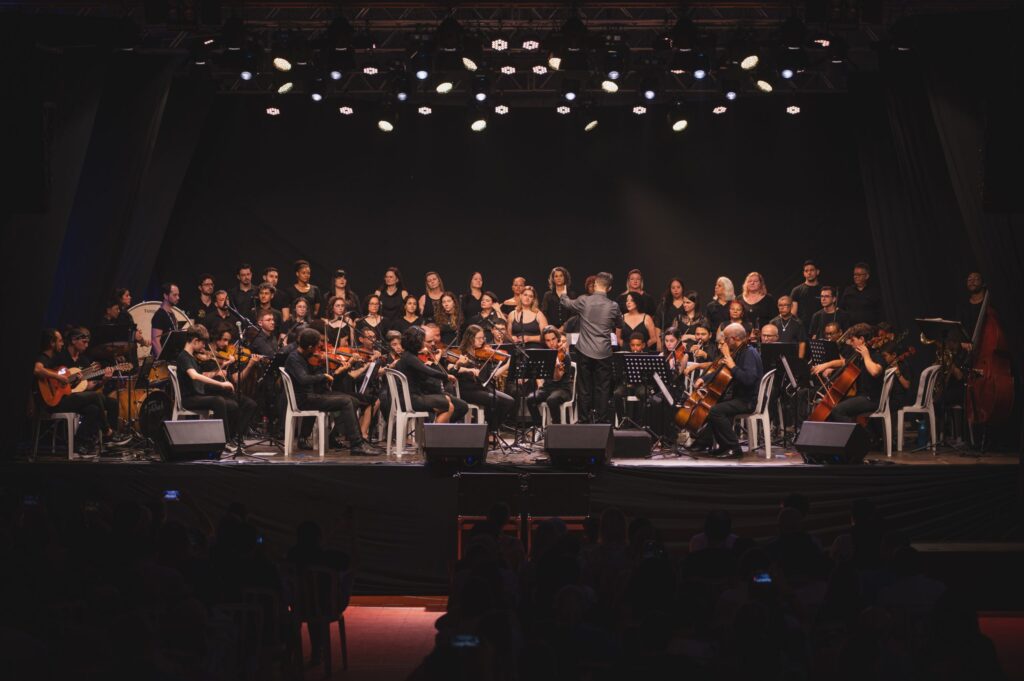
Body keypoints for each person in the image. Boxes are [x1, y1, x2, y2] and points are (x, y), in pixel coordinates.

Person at [284, 328, 379, 455]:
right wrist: (323, 376)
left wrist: (335, 373)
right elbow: (303, 379)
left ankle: (351, 439)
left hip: (316, 394)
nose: (320, 349)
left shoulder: (307, 356)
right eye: (317, 346)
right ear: (310, 347)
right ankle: (357, 445)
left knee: (354, 400)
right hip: (305, 398)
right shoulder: (294, 358)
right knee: (346, 401)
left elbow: (321, 379)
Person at [34, 329, 125, 454]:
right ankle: (108, 432)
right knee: (95, 396)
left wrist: (103, 380)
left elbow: (83, 386)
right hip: (54, 401)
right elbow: (37, 369)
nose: (62, 344)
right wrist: (60, 377)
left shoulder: (82, 360)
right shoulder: (49, 357)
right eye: (60, 341)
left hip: (67, 397)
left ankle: (80, 441)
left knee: (94, 408)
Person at [687, 323, 764, 458]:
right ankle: (717, 445)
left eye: (726, 339)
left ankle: (734, 448)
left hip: (748, 400)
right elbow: (721, 370)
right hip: (737, 397)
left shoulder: (749, 353)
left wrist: (733, 366)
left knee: (715, 411)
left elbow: (748, 380)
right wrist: (704, 379)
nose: (724, 343)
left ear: (734, 339)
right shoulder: (738, 351)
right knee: (713, 405)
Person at [176, 327, 257, 452]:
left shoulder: (190, 357)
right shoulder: (183, 356)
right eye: (203, 343)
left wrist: (223, 366)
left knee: (233, 405)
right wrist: (221, 385)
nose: (204, 347)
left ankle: (233, 437)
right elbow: (195, 376)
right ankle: (223, 441)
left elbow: (201, 375)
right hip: (190, 398)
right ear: (195, 341)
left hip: (199, 393)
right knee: (218, 400)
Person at [559, 272, 622, 423]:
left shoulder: (584, 301)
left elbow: (566, 303)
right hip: (604, 352)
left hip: (584, 351)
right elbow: (621, 325)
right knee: (603, 388)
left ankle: (584, 420)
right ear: (609, 288)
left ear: (595, 285)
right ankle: (601, 421)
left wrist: (563, 294)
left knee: (584, 387)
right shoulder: (613, 306)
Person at [810, 322, 884, 423]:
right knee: (830, 409)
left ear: (862, 339)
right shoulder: (857, 356)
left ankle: (859, 436)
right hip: (860, 397)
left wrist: (866, 356)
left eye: (853, 340)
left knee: (837, 411)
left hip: (871, 399)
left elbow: (875, 372)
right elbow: (842, 362)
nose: (851, 343)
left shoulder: (876, 356)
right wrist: (825, 365)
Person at [394, 326, 468, 423]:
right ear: (417, 341)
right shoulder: (410, 357)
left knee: (447, 402)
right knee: (448, 405)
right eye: (423, 340)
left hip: (412, 396)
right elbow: (428, 371)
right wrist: (446, 376)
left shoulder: (408, 355)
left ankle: (434, 433)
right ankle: (433, 436)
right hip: (412, 399)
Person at [452, 324, 513, 431]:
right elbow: (451, 369)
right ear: (470, 338)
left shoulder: (485, 353)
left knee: (509, 401)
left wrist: (508, 365)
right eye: (479, 338)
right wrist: (464, 367)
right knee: (493, 399)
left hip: (483, 387)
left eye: (483, 338)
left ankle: (493, 429)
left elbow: (492, 375)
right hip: (468, 389)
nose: (482, 340)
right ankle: (490, 432)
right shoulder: (461, 353)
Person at [526, 326, 575, 425]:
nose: (551, 343)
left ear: (557, 338)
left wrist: (556, 367)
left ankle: (555, 427)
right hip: (547, 388)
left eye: (553, 339)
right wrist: (539, 383)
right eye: (548, 340)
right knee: (530, 399)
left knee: (552, 400)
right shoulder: (545, 354)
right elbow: (537, 372)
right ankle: (539, 427)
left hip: (563, 389)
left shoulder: (564, 356)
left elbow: (557, 378)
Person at [840, 262, 883, 326]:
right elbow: (841, 308)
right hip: (851, 329)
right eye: (854, 274)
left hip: (870, 328)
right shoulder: (848, 291)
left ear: (867, 276)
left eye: (859, 275)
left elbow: (880, 311)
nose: (856, 277)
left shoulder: (874, 292)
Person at [151, 282, 181, 358]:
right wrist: (162, 360)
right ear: (165, 296)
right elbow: (155, 340)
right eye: (174, 295)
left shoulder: (171, 313)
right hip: (163, 361)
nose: (178, 298)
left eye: (178, 295)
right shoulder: (160, 315)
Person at [540, 266, 576, 331]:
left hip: (568, 329)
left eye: (561, 276)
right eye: (556, 276)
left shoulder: (571, 294)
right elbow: (544, 312)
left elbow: (573, 314)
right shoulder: (548, 295)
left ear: (565, 277)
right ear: (553, 279)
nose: (558, 278)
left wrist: (564, 326)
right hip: (551, 330)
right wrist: (553, 328)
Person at [790, 260, 822, 329]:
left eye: (812, 270)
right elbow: (793, 313)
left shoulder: (823, 290)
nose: (809, 273)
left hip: (820, 327)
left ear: (817, 272)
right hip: (802, 327)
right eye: (806, 271)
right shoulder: (797, 290)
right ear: (803, 273)